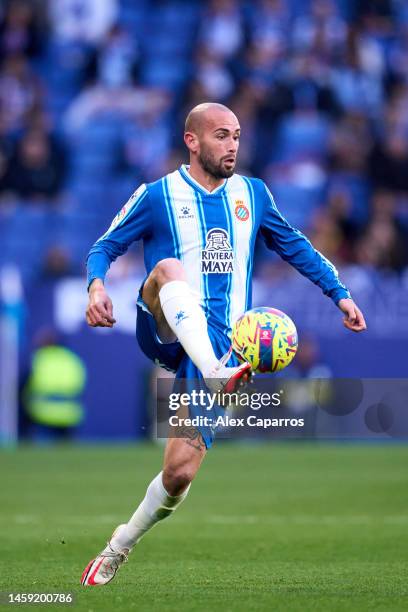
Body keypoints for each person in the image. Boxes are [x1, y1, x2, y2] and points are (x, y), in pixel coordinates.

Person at [81, 102, 366, 586]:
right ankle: (213, 367)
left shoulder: (252, 194)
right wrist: (96, 285)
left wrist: (338, 293)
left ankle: (119, 544)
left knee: (178, 476)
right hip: (165, 324)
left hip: (226, 349)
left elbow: (293, 243)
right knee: (168, 269)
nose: (232, 145)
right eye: (220, 136)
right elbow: (104, 245)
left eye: (236, 136)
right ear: (192, 141)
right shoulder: (158, 195)